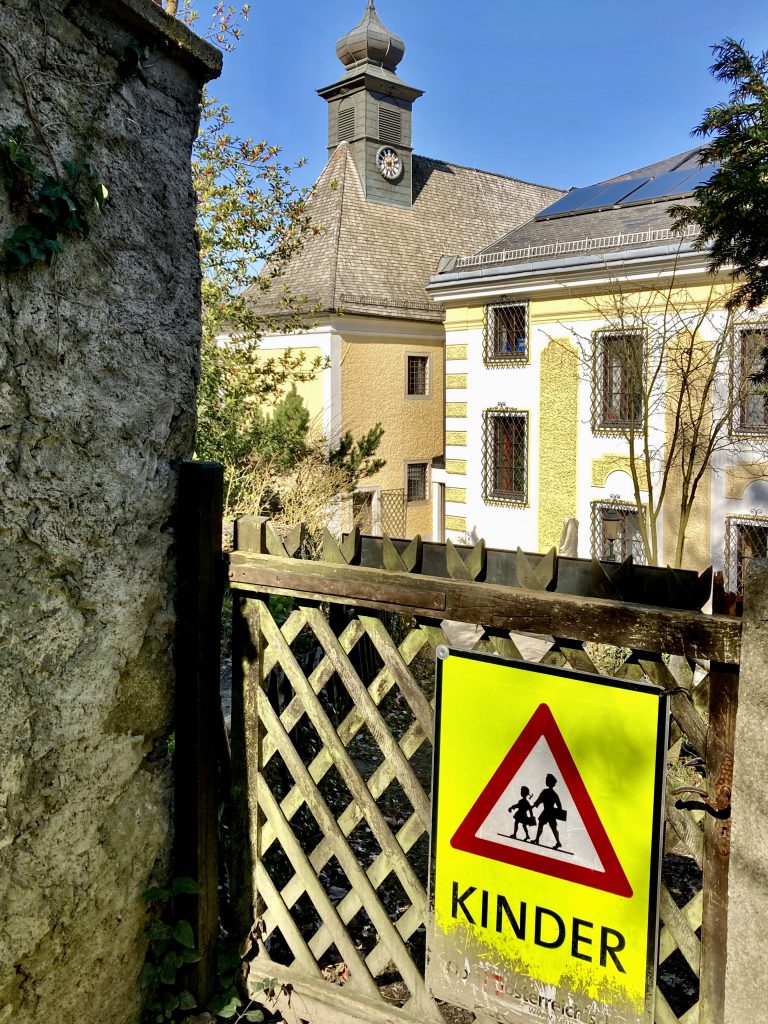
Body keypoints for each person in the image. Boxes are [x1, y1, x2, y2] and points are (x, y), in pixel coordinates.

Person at [533, 773, 564, 849]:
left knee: (543, 825)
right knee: (552, 827)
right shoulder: (554, 794)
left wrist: (533, 806)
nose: (546, 781)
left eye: (547, 780)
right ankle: (558, 842)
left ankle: (537, 839)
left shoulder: (545, 791)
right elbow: (559, 805)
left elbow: (539, 800)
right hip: (551, 812)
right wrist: (558, 812)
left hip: (547, 811)